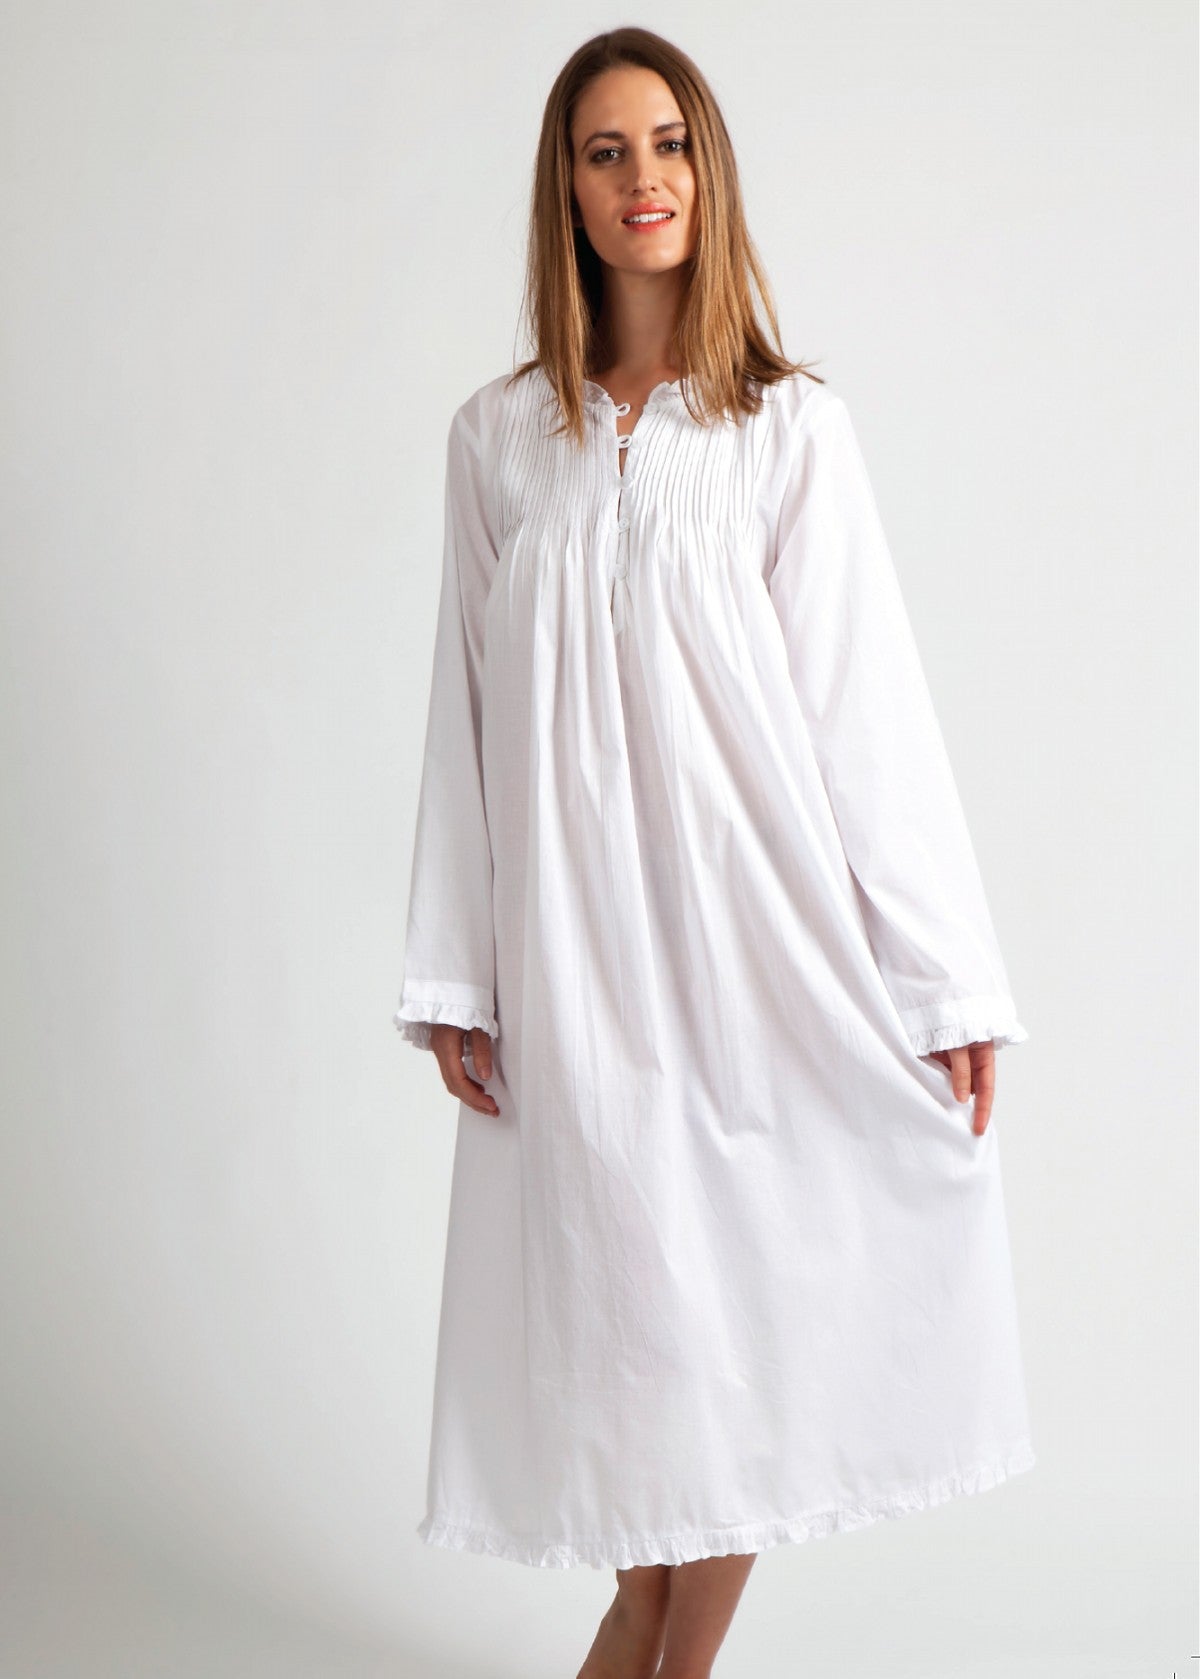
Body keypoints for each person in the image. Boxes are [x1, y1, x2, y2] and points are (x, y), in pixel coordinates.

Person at [393, 27, 1036, 1679]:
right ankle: (638, 1622)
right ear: (566, 188)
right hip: (574, 956)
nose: (644, 179)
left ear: (710, 169)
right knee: (626, 1321)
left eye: (669, 143)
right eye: (606, 150)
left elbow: (867, 716)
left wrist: (945, 981)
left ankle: (670, 1658)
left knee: (740, 1308)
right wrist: (459, 971)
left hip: (755, 941)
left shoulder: (786, 429)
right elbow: (466, 719)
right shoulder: (498, 441)